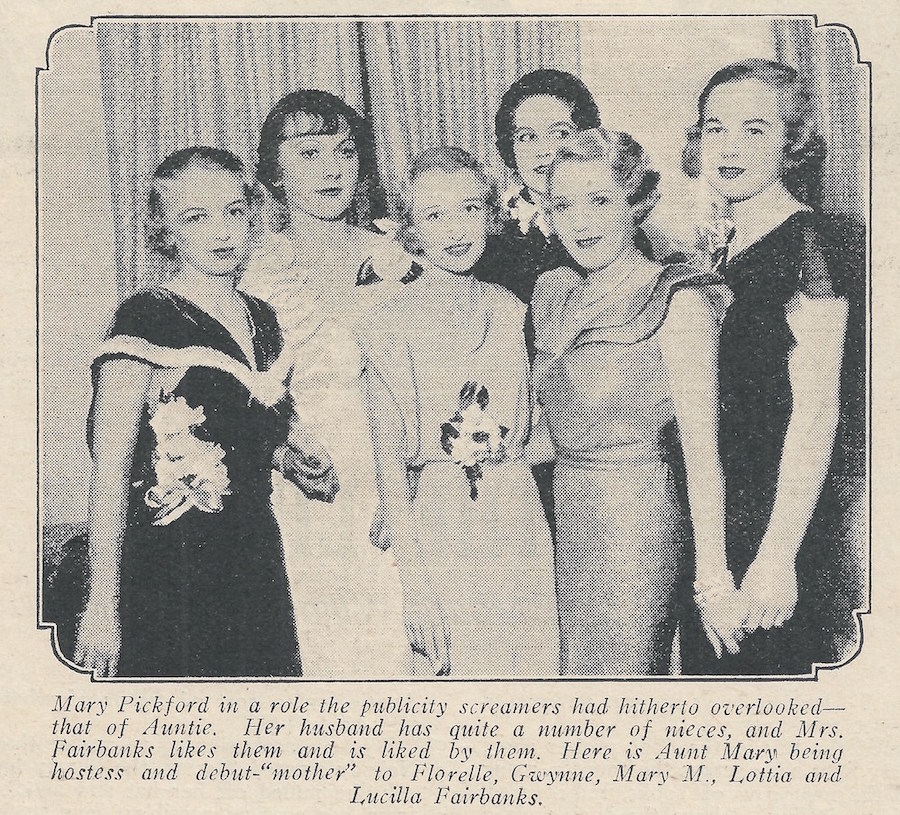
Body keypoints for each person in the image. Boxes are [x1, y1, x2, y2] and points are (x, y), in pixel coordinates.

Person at [73, 147, 311, 677]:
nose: (221, 231)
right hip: (169, 568)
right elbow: (109, 475)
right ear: (166, 232)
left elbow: (246, 436)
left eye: (233, 210)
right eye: (195, 217)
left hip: (256, 560)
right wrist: (102, 607)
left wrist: (292, 459)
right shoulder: (145, 319)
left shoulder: (264, 319)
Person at [678, 59, 864, 675]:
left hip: (789, 525)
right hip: (717, 526)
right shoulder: (717, 255)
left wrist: (776, 557)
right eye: (714, 128)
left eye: (753, 130)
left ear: (790, 142)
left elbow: (817, 414)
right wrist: (711, 571)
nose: (728, 148)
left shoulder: (820, 242)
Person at [530, 128, 728, 675]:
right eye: (563, 204)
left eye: (600, 200)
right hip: (564, 513)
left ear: (636, 202)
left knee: (622, 681)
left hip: (638, 519)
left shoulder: (678, 295)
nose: (581, 221)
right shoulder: (551, 293)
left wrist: (712, 576)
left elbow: (703, 455)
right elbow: (546, 431)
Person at [357, 147, 560, 677]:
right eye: (434, 215)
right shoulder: (385, 322)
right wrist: (416, 589)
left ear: (491, 215)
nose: (455, 229)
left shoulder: (513, 309)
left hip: (517, 517)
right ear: (409, 230)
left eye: (469, 208)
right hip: (440, 522)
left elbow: (540, 432)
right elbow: (390, 471)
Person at [240, 90, 410, 677]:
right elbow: (239, 396)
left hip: (399, 469)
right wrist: (283, 450)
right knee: (332, 650)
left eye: (344, 151)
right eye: (310, 153)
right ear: (275, 177)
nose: (333, 168)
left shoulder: (395, 255)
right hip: (313, 478)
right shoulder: (255, 271)